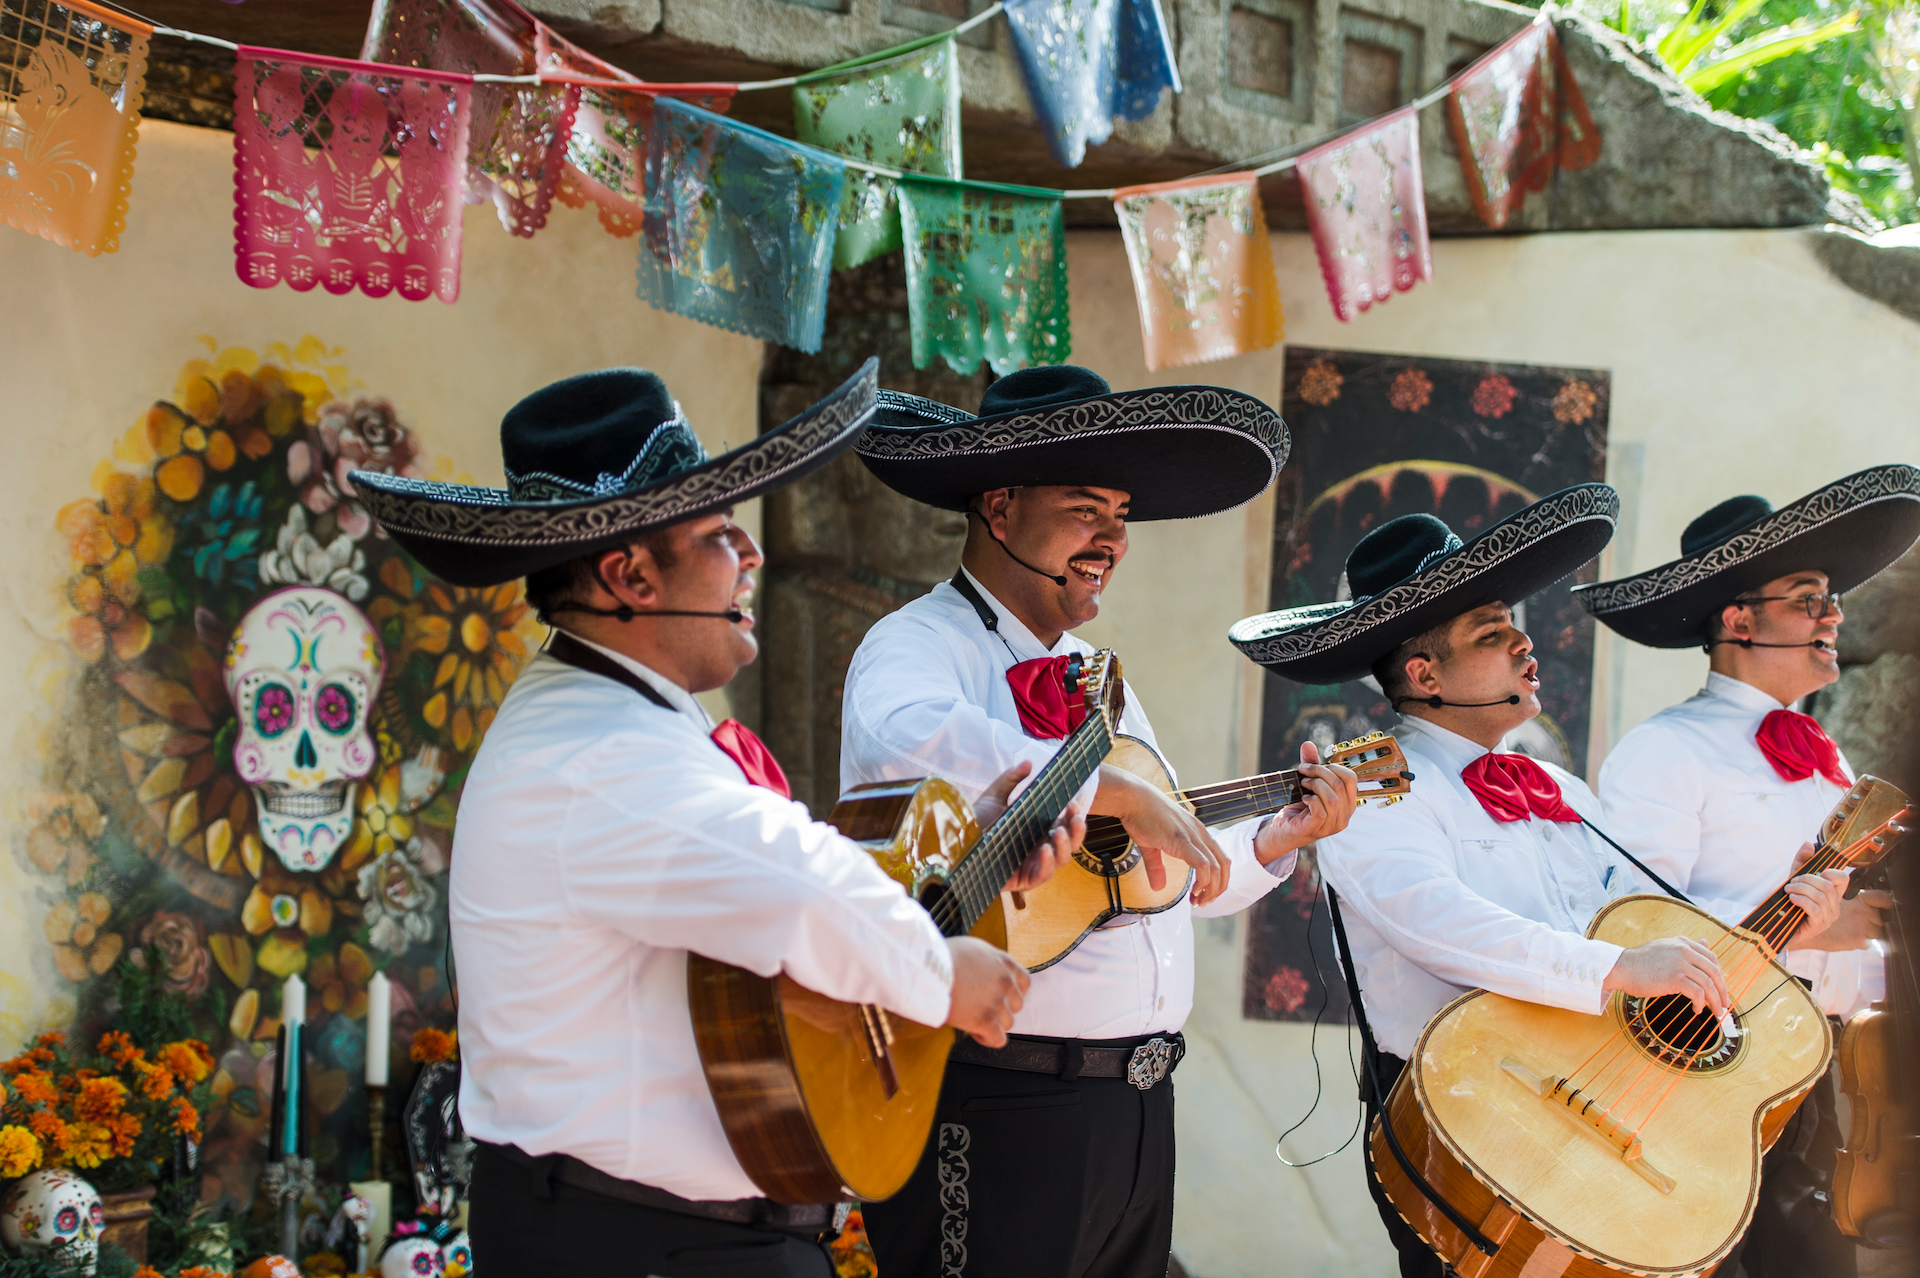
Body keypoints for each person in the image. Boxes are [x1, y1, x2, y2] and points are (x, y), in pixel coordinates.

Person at [352, 359, 1085, 1276]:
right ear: (630, 575)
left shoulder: (616, 717)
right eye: (719, 535)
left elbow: (753, 884)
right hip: (641, 1242)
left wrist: (974, 847)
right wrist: (937, 972)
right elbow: (795, 888)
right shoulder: (602, 749)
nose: (754, 555)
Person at [1226, 485, 1853, 1278]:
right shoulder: (1375, 790)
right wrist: (1616, 969)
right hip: (1471, 1117)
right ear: (1424, 672)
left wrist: (1779, 909)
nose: (1527, 648)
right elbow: (1440, 922)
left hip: (1580, 1104)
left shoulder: (1561, 791)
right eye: (1494, 635)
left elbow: (1645, 920)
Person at [838, 366, 1362, 1278]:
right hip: (997, 1097)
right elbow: (910, 741)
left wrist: (1272, 842)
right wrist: (1113, 790)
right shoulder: (918, 644)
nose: (1114, 538)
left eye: (1121, 516)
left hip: (1135, 1108)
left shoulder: (1098, 678)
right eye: (1087, 509)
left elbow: (1153, 880)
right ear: (1000, 509)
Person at [1578, 464, 1920, 1278]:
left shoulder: (1828, 761)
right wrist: (1806, 935)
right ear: (1738, 620)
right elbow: (1637, 930)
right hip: (1710, 1082)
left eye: (1830, 599)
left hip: (1823, 1078)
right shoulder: (1664, 752)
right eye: (1808, 599)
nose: (1833, 615)